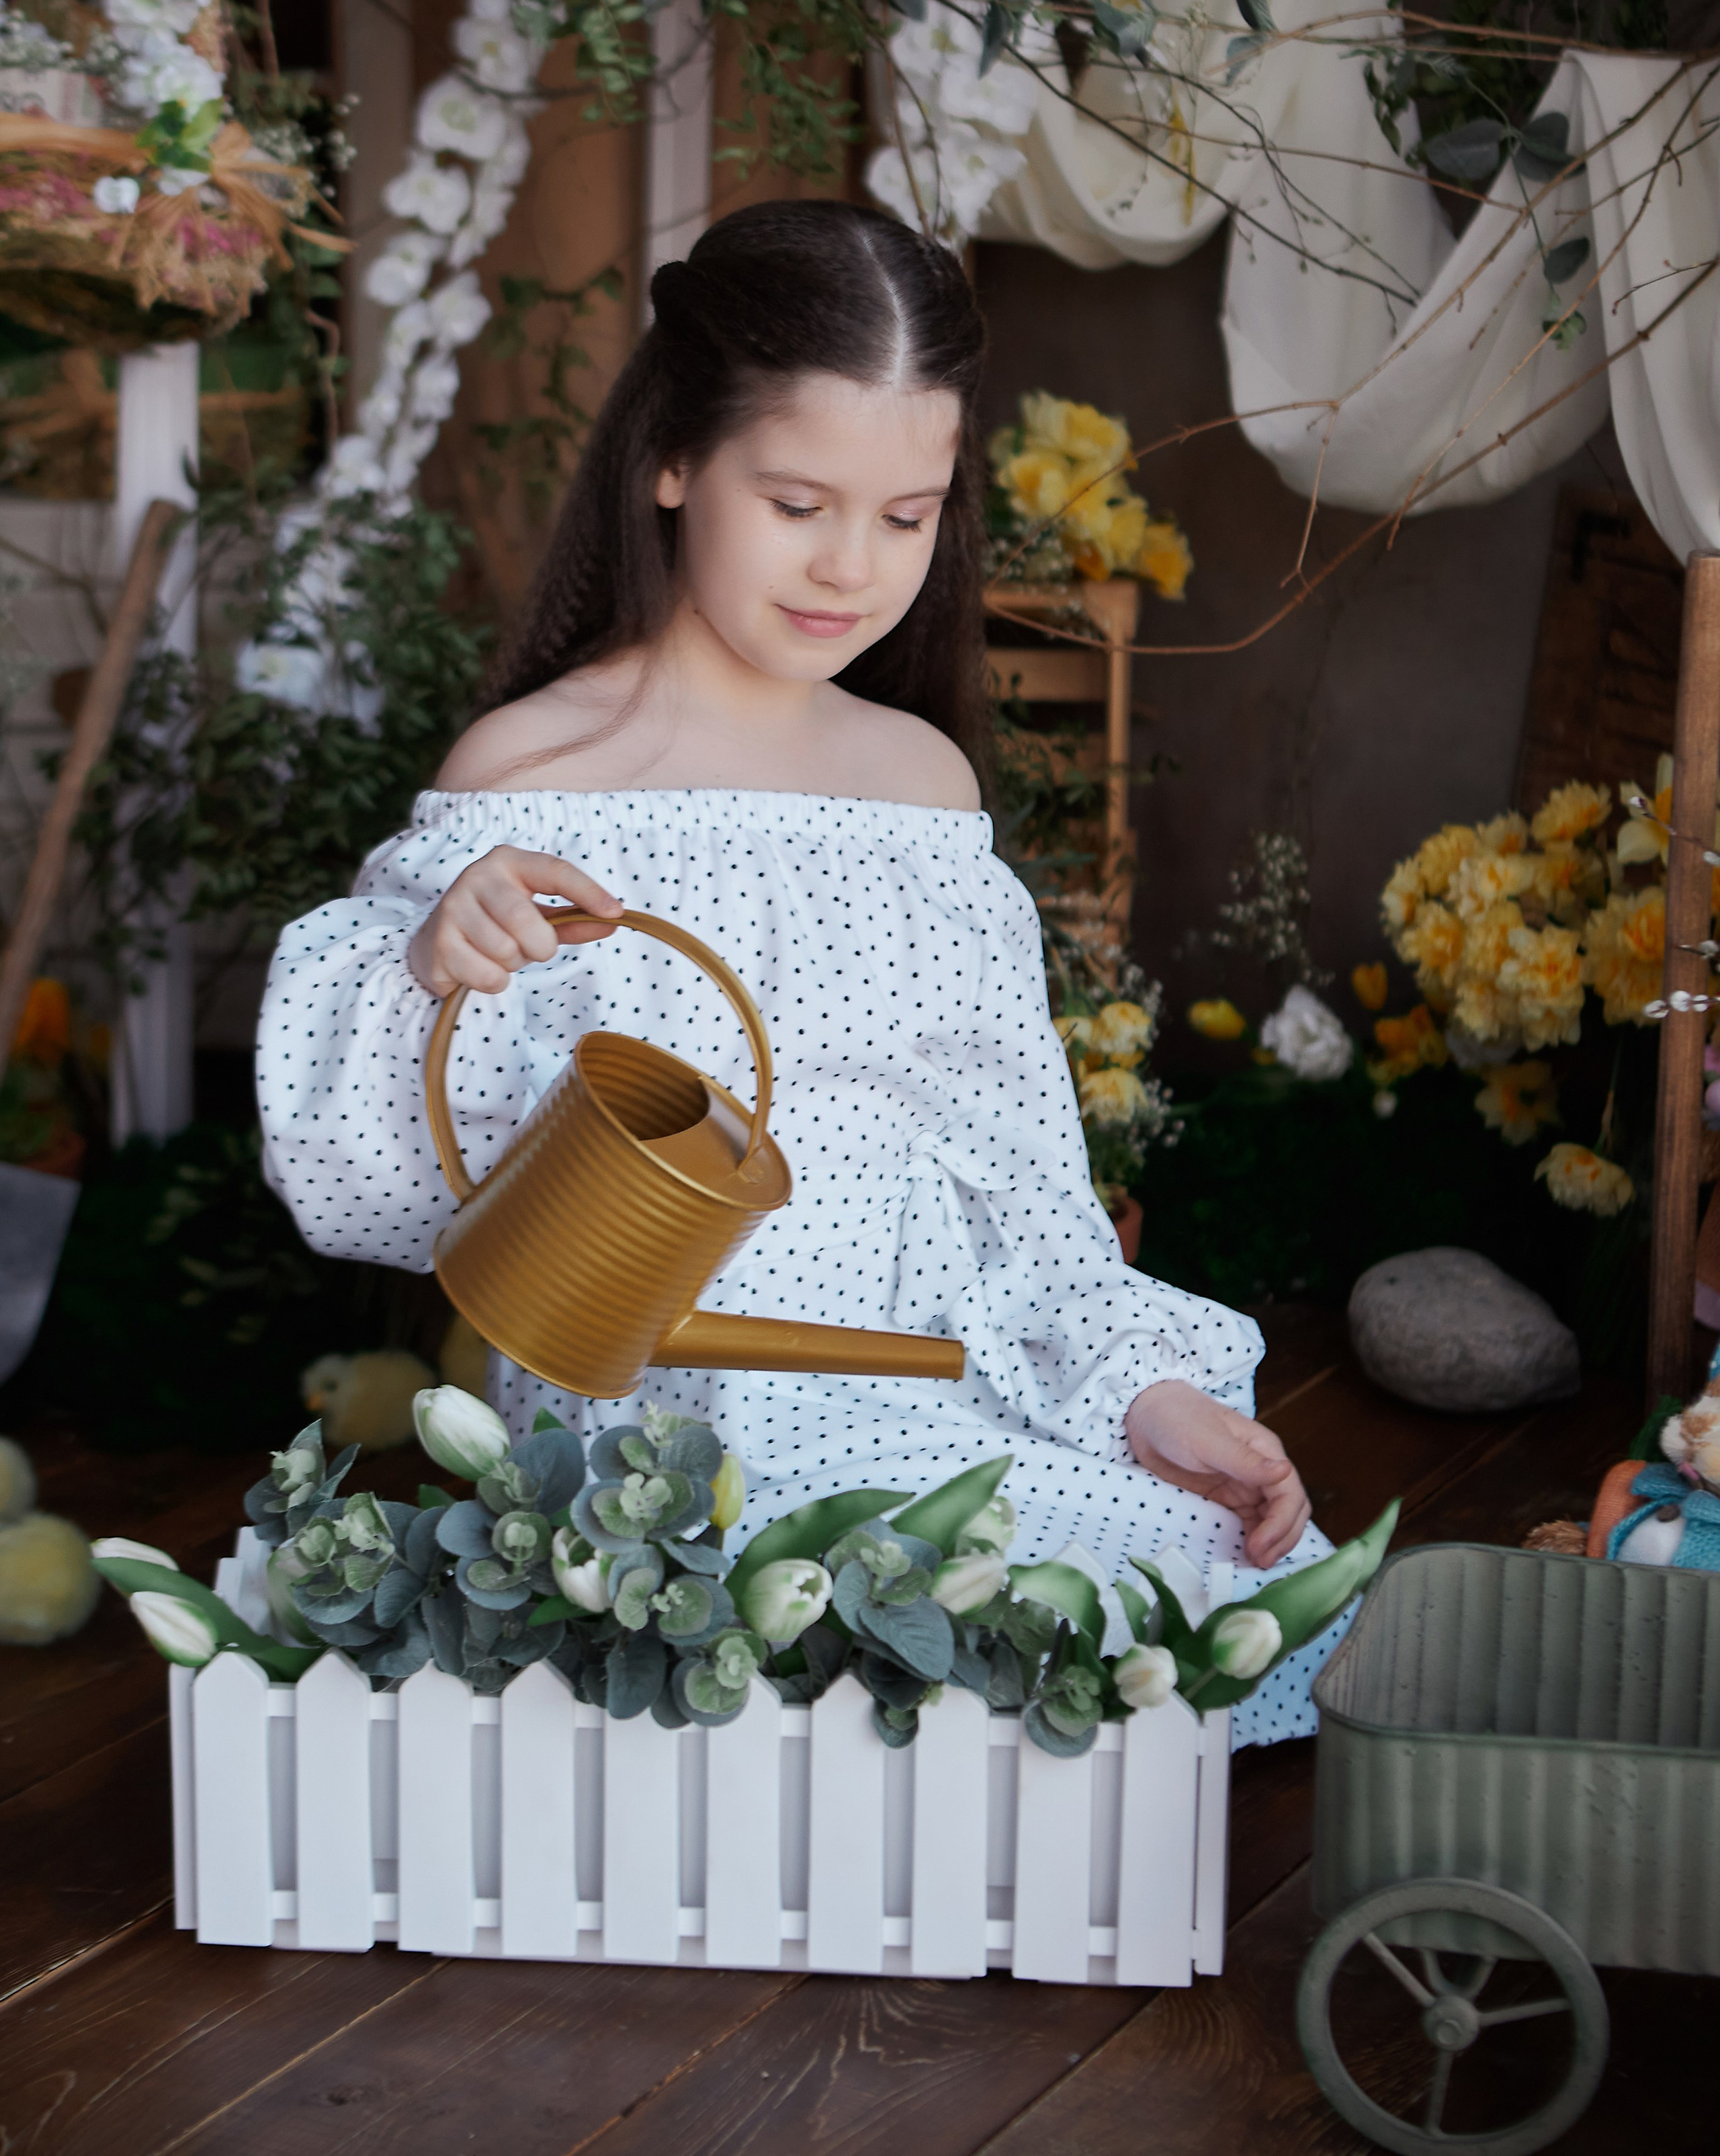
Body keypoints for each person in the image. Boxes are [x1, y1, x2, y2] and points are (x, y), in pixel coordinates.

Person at [258, 198, 1338, 1744]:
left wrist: (1144, 1393)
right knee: (841, 1614)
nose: (853, 567)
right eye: (798, 502)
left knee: (1213, 1573)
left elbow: (1015, 1183)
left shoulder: (916, 792)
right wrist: (438, 958)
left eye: (907, 517)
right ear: (675, 459)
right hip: (657, 1416)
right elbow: (402, 1183)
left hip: (920, 1378)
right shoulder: (534, 776)